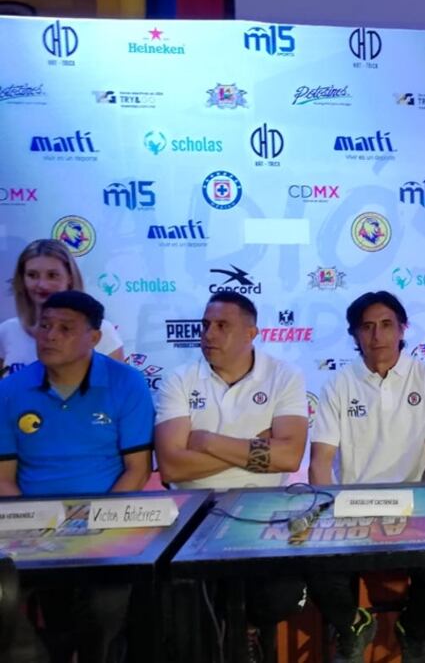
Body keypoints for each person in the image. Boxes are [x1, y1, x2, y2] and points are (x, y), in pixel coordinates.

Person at [153, 290, 309, 662]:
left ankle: (249, 633)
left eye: (222, 326)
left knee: (280, 594)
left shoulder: (284, 376)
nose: (208, 334)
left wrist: (205, 441)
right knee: (172, 601)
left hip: (263, 509)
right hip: (191, 511)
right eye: (205, 325)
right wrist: (254, 445)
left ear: (251, 332)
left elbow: (288, 457)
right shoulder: (179, 379)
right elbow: (173, 466)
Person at [0, 290, 153, 663]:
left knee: (104, 609)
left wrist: (92, 525)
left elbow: (137, 470)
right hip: (31, 530)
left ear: (94, 338)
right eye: (45, 325)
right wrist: (31, 528)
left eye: (65, 328)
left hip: (106, 526)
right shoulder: (9, 390)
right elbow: (3, 477)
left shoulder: (127, 383)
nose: (50, 335)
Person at [307, 291, 425, 663]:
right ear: (355, 335)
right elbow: (320, 462)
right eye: (367, 327)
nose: (378, 336)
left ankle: (414, 629)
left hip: (414, 507)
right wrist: (328, 513)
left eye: (387, 325)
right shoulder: (338, 384)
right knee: (316, 564)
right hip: (351, 507)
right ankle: (352, 624)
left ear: (403, 329)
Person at [1, 239, 123, 378]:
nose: (42, 285)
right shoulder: (6, 332)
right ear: (22, 279)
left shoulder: (102, 331)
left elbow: (121, 395)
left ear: (70, 277)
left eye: (52, 275)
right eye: (32, 275)